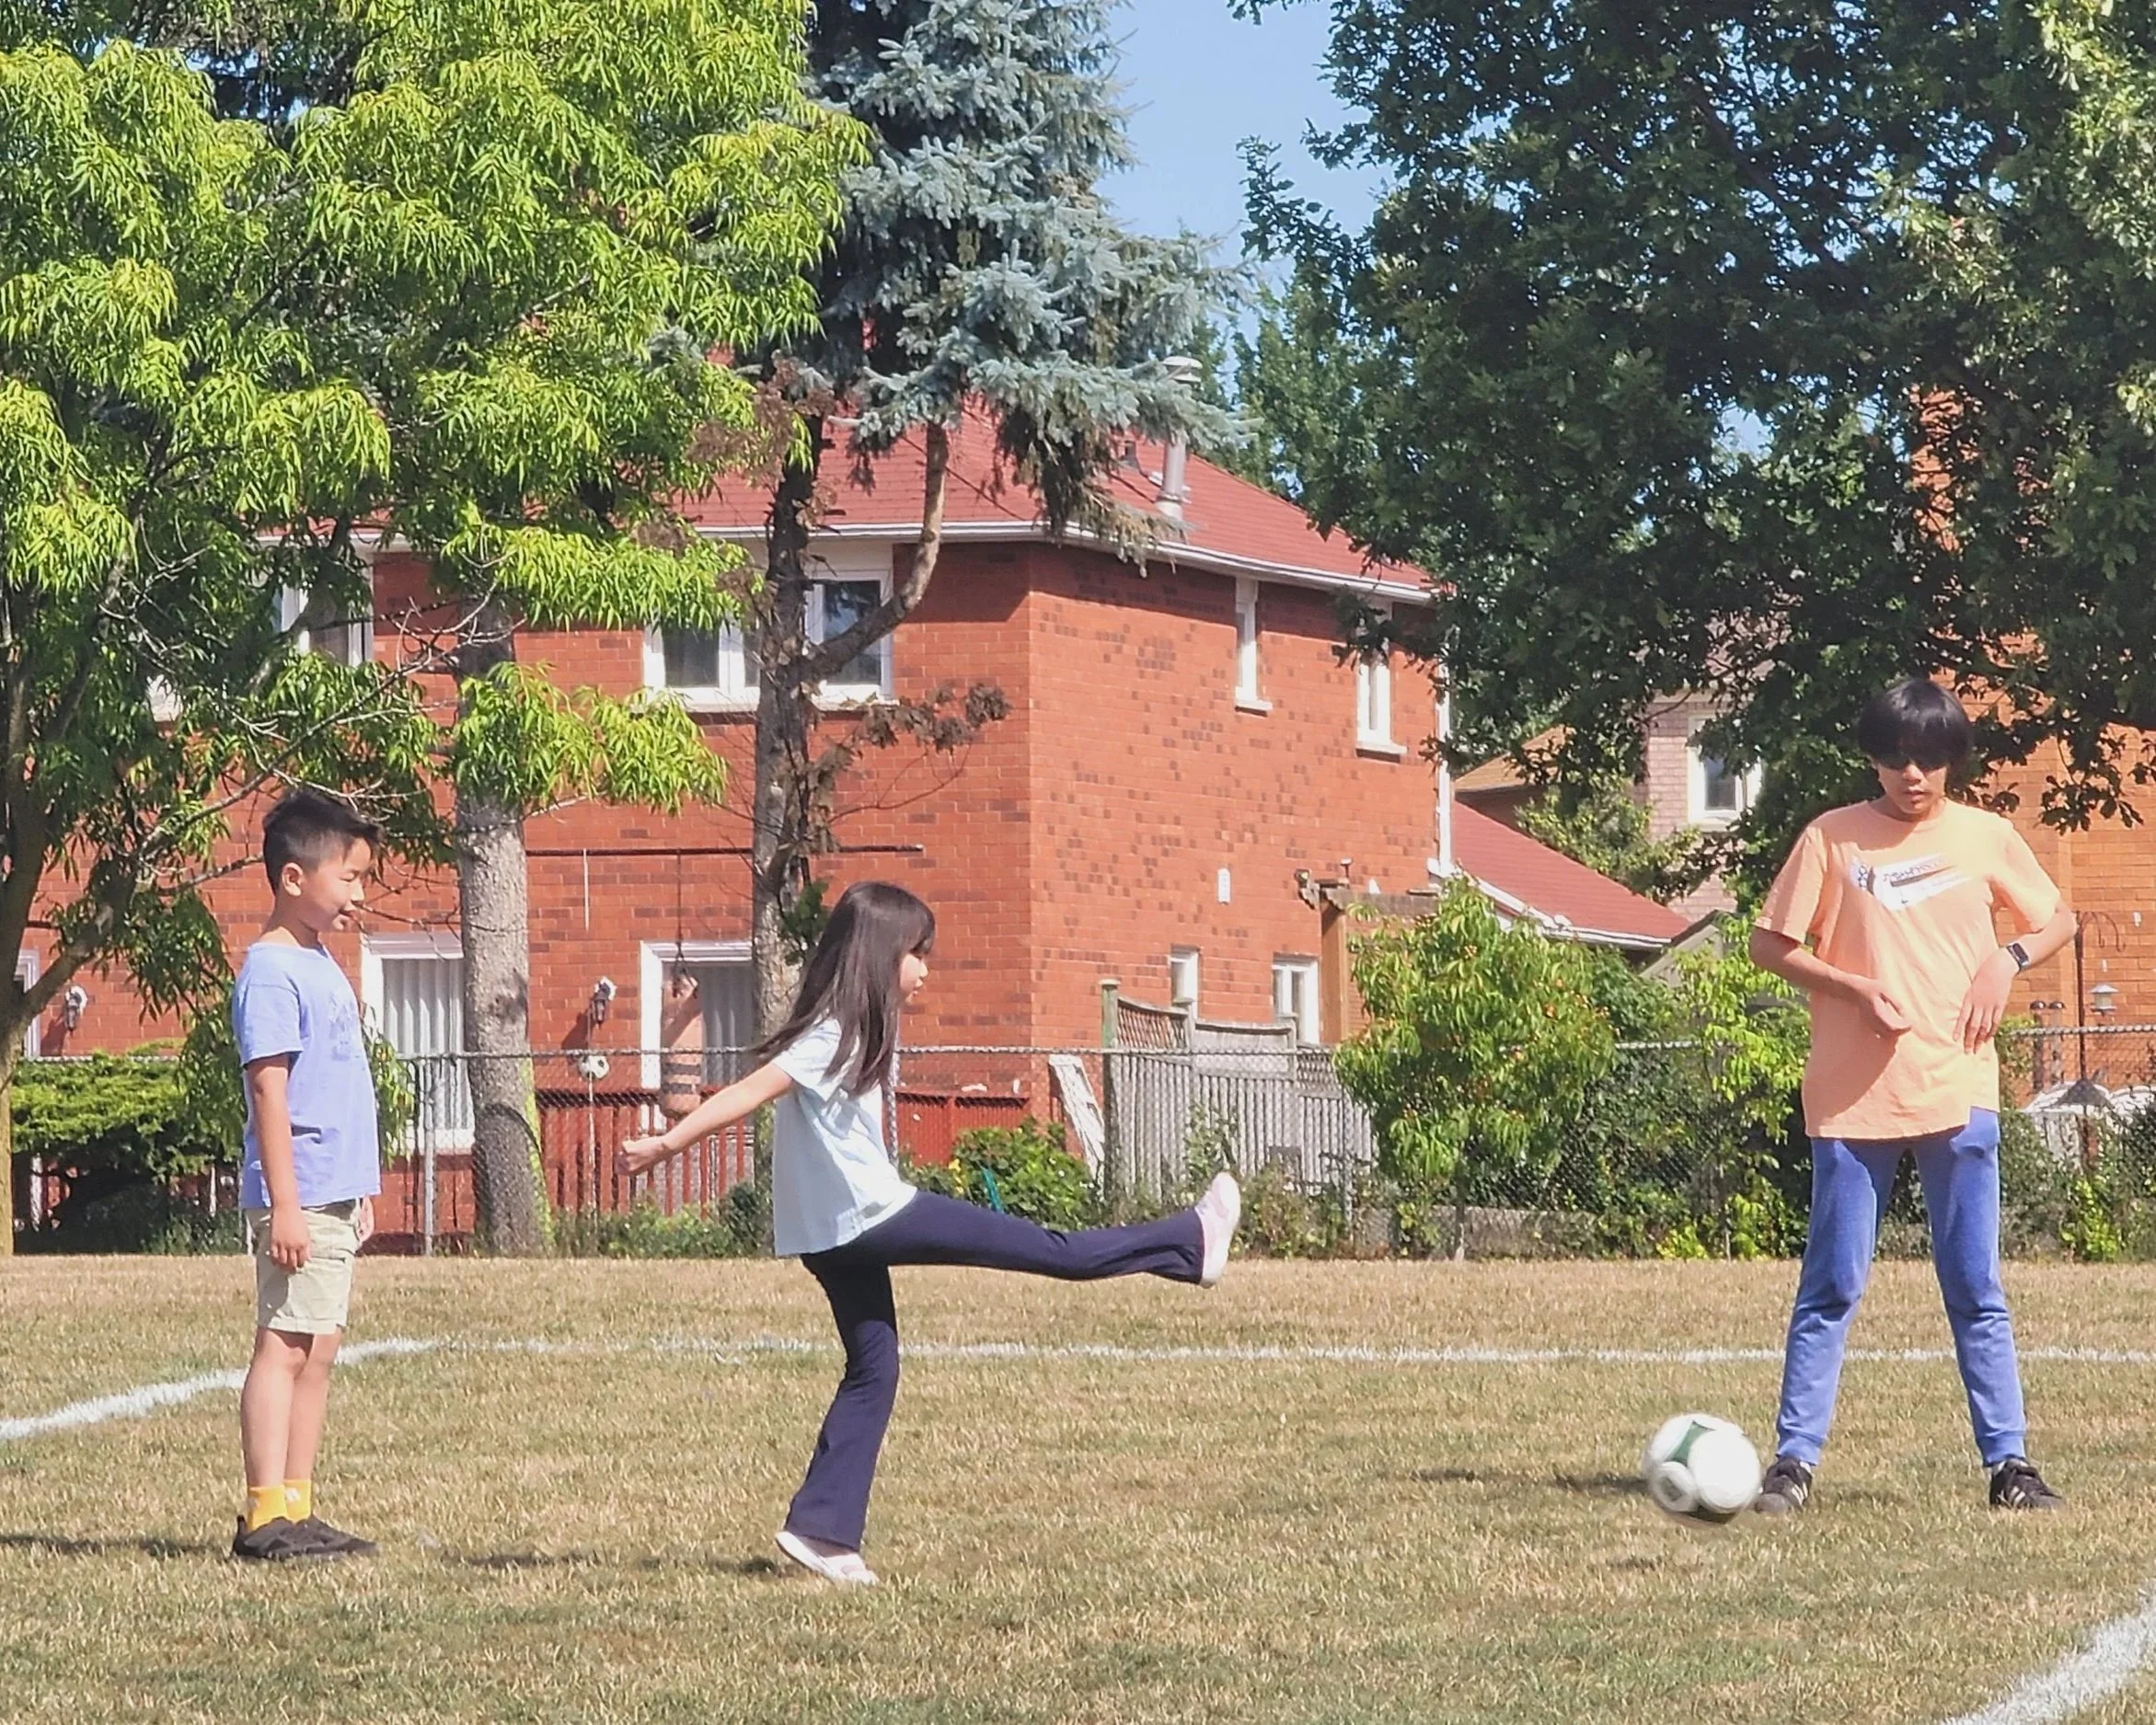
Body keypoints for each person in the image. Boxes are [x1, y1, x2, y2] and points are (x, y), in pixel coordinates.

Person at [620, 881, 1241, 1585]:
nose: (925, 971)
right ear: (884, 955)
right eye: (918, 954)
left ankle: (821, 1531)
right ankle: (1191, 1240)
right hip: (870, 1217)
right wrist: (666, 1145)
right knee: (1052, 1248)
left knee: (874, 1365)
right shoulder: (833, 1030)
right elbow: (747, 1091)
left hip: (825, 1236)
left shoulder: (847, 1027)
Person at [1747, 678, 2078, 1515]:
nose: (1912, 774)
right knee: (1832, 1283)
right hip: (1852, 1100)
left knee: (1974, 1285)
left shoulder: (1986, 836)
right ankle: (1792, 1463)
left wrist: (2003, 962)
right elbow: (1769, 943)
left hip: (1958, 1086)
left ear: (1950, 763)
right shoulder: (1830, 838)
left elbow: (2056, 919)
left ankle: (2009, 1464)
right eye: (1895, 757)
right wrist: (1854, 988)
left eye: (1928, 759)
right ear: (1873, 758)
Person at [230, 788, 386, 1561]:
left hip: (333, 1190)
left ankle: (298, 1500)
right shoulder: (271, 970)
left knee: (317, 1344)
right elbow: (270, 1090)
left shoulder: (321, 961)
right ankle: (264, 1516)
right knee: (283, 1343)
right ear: (295, 879)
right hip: (299, 1192)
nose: (360, 892)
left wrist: (357, 1190)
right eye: (349, 876)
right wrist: (285, 1204)